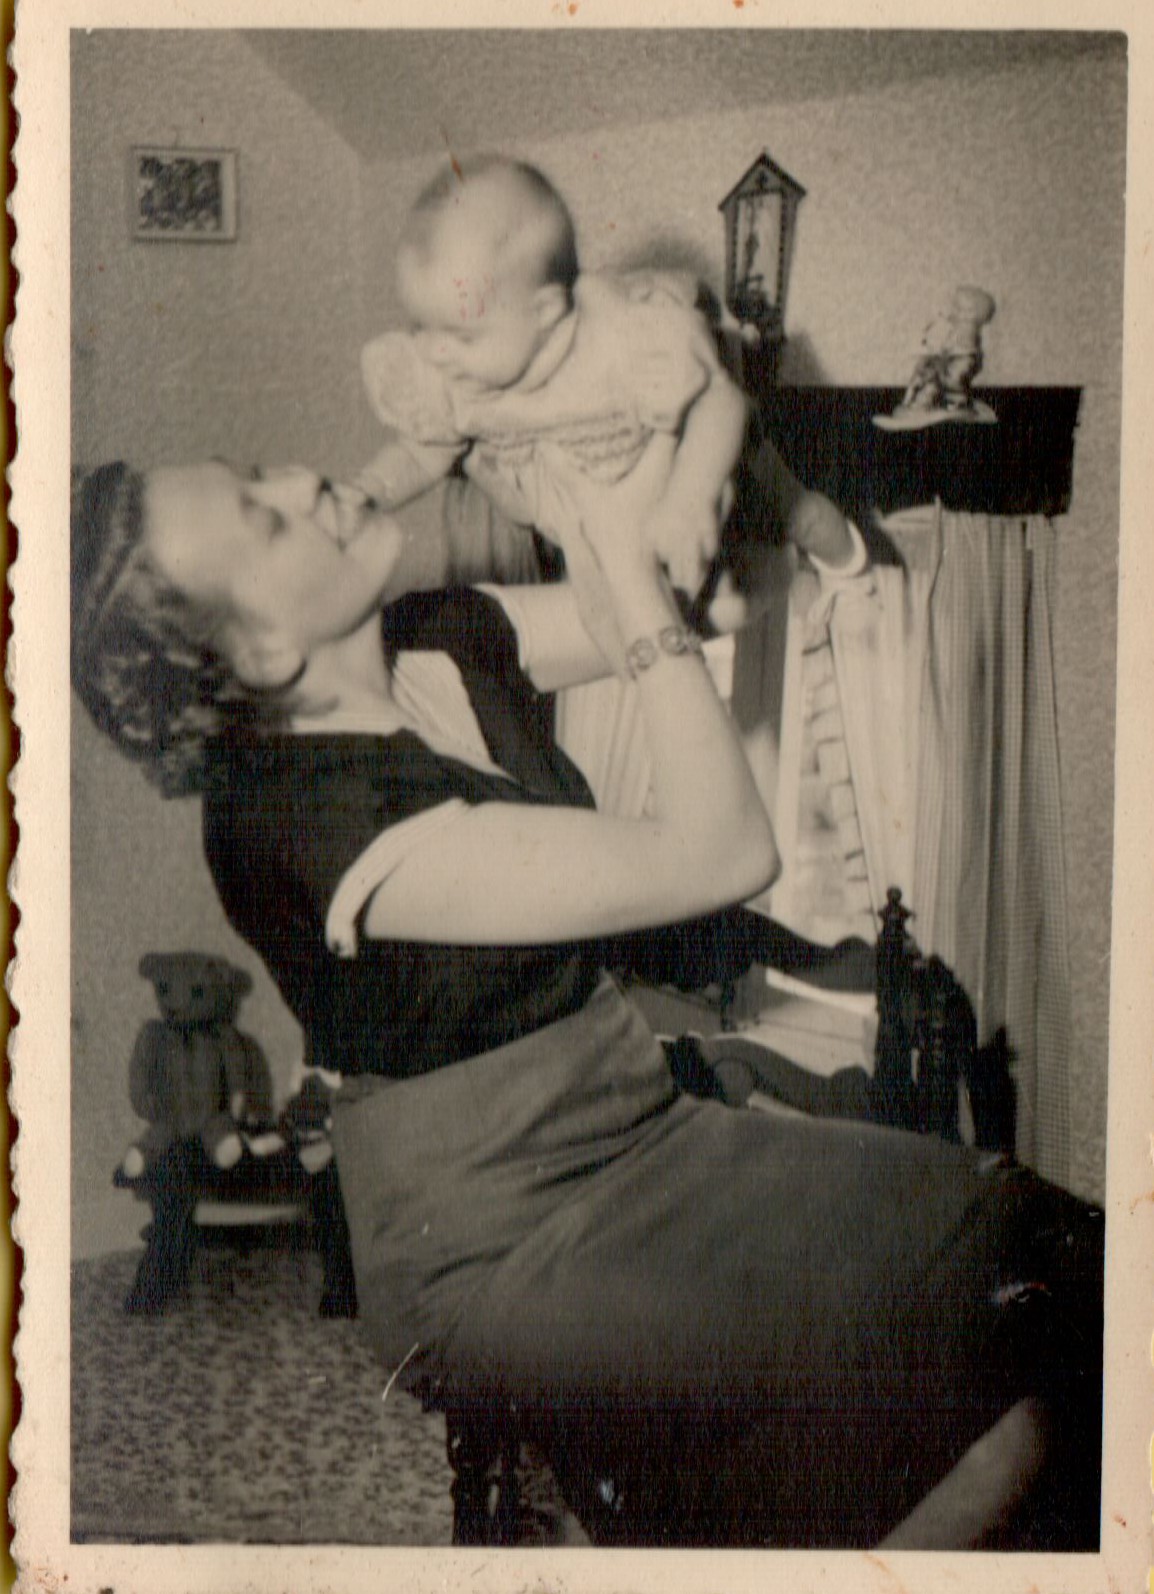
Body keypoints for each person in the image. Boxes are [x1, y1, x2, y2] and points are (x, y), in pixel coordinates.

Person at [71, 444, 1101, 1549]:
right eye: (264, 520)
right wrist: (618, 562)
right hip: (493, 1238)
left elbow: (674, 590)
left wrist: (642, 452)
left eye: (261, 473)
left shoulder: (433, 633)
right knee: (975, 1380)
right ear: (258, 646)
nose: (302, 478)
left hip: (642, 1128)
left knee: (1046, 1260)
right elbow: (720, 849)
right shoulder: (290, 818)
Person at [358, 155, 763, 655]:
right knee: (617, 637)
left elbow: (722, 402)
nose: (436, 352)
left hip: (674, 484)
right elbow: (424, 451)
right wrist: (369, 491)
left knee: (727, 600)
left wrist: (691, 497)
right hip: (583, 532)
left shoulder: (619, 340)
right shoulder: (460, 374)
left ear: (545, 312)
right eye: (423, 328)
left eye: (459, 335)